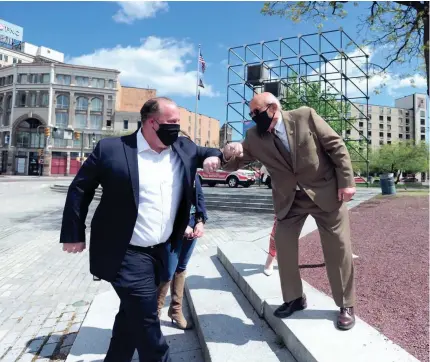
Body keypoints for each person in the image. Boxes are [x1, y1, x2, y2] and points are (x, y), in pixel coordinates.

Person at [59, 97, 223, 362]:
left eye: (178, 123)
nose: (177, 128)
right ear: (151, 122)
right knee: (147, 322)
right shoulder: (111, 149)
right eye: (172, 123)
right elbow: (80, 188)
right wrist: (73, 233)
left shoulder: (183, 147)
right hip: (124, 253)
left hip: (159, 252)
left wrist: (218, 155)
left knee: (130, 318)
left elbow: (208, 152)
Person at [221, 92, 357, 330]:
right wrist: (226, 153)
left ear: (273, 108)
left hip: (324, 192)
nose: (253, 117)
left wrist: (346, 181)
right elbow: (237, 160)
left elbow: (336, 146)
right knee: (283, 244)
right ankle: (294, 299)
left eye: (257, 112)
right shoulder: (254, 136)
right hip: (290, 200)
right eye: (251, 114)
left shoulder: (305, 116)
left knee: (338, 247)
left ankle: (346, 304)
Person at [157, 175, 207, 330]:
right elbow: (162, 203)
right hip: (172, 228)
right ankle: (154, 312)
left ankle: (175, 310)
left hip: (192, 227)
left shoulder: (194, 174)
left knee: (181, 268)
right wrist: (182, 225)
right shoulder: (168, 170)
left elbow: (199, 198)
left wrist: (200, 221)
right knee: (168, 270)